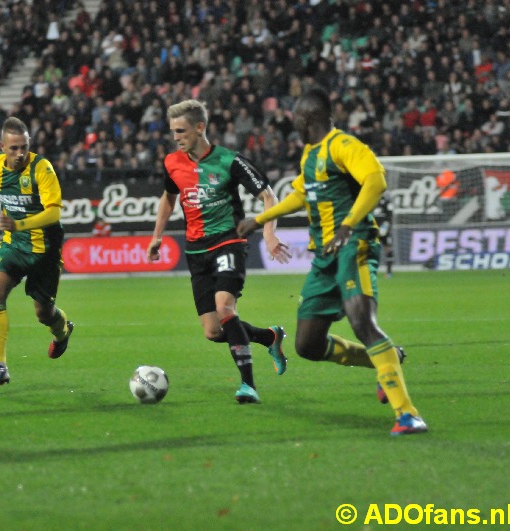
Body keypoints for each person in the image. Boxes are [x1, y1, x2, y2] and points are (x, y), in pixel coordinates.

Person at [237, 88, 427, 435]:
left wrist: (348, 224)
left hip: (354, 244)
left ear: (308, 118)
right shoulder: (310, 155)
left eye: (296, 117)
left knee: (361, 321)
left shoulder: (344, 146)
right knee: (307, 345)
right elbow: (299, 195)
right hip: (324, 257)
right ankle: (388, 359)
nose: (293, 123)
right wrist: (260, 219)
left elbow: (376, 180)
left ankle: (407, 414)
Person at [146, 99, 292, 404]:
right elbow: (169, 199)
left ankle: (248, 385)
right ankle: (269, 337)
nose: (176, 137)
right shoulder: (172, 162)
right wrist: (157, 236)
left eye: (181, 130)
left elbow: (269, 196)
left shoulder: (230, 161)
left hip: (228, 242)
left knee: (226, 309)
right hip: (196, 250)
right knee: (213, 331)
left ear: (200, 128)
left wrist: (268, 233)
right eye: (173, 131)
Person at [0, 117, 74, 387]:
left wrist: (19, 222)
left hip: (44, 251)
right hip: (13, 245)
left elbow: (54, 212)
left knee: (44, 314)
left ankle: (62, 332)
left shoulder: (42, 168)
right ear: (2, 147)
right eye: (14, 148)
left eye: (24, 147)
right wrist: (13, 226)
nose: (20, 153)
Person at [372, 191, 395, 278]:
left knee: (388, 249)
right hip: (373, 229)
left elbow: (390, 216)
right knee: (372, 250)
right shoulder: (371, 200)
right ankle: (372, 270)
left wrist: (385, 226)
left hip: (384, 230)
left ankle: (389, 271)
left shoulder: (386, 201)